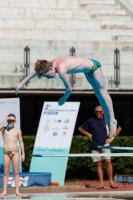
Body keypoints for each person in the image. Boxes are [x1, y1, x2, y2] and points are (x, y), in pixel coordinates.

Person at [16, 56, 116, 137]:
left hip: (94, 66)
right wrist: (22, 83)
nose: (47, 78)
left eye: (47, 75)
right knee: (98, 94)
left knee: (103, 92)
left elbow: (69, 89)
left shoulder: (61, 69)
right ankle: (107, 120)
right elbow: (36, 71)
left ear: (50, 69)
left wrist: (64, 99)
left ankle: (112, 121)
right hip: (88, 71)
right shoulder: (50, 64)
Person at [78, 105, 122, 189]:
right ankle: (101, 184)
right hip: (95, 145)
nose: (98, 113)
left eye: (99, 111)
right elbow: (80, 128)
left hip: (105, 144)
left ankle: (111, 182)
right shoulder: (91, 120)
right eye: (96, 112)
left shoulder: (108, 120)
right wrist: (89, 135)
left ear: (103, 112)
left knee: (108, 161)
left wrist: (111, 138)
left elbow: (119, 128)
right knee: (99, 164)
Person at [0, 114, 25, 196]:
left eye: (12, 120)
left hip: (15, 152)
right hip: (6, 152)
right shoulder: (4, 129)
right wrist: (6, 118)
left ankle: (17, 191)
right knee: (6, 172)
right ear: (7, 120)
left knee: (16, 171)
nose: (11, 122)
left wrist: (23, 153)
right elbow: (0, 127)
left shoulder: (17, 130)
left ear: (15, 121)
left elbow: (21, 142)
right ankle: (4, 191)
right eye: (9, 120)